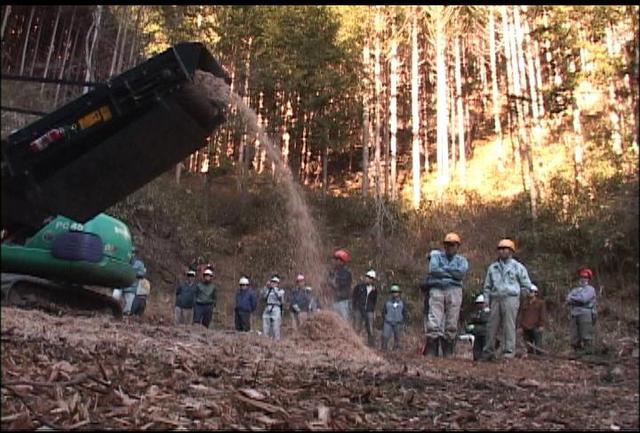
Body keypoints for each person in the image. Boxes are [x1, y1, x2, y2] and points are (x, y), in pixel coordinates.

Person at [481, 238, 533, 361]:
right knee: (491, 326)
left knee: (509, 326)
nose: (502, 251)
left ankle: (508, 353)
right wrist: (486, 300)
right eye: (500, 249)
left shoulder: (518, 267)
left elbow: (526, 285)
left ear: (511, 251)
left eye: (505, 249)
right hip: (496, 298)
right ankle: (488, 352)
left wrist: (519, 298)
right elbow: (487, 286)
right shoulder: (493, 268)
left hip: (511, 298)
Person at [424, 233, 469, 357]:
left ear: (457, 246)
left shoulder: (462, 260)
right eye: (448, 245)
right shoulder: (436, 257)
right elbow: (433, 270)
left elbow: (460, 274)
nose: (450, 247)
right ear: (444, 246)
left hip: (455, 290)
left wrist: (444, 270)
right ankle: (432, 348)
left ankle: (448, 349)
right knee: (434, 318)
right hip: (437, 288)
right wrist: (451, 273)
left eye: (453, 245)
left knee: (452, 320)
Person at [567, 268, 597, 355]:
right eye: (582, 277)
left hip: (586, 313)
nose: (583, 279)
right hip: (574, 313)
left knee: (586, 335)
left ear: (588, 279)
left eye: (585, 277)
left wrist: (574, 298)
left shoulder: (590, 289)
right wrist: (575, 299)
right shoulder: (575, 289)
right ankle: (577, 353)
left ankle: (589, 354)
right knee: (574, 336)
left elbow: (584, 299)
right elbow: (568, 299)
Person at [352, 269, 379, 347]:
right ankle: (354, 344)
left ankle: (371, 345)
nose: (368, 279)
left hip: (369, 310)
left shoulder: (374, 290)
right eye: (367, 277)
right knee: (357, 328)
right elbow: (354, 297)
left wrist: (373, 310)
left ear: (373, 280)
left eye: (370, 278)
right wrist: (354, 307)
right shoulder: (359, 287)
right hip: (359, 308)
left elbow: (374, 301)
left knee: (370, 329)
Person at [518, 284, 546, 355]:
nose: (530, 293)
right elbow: (521, 315)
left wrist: (541, 325)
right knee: (528, 346)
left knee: (538, 345)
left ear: (535, 293)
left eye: (531, 291)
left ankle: (540, 357)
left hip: (535, 327)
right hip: (525, 327)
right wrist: (520, 326)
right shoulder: (525, 303)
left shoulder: (540, 303)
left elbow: (542, 315)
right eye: (529, 291)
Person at [328, 249, 353, 322]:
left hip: (343, 302)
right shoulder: (333, 272)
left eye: (336, 259)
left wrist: (331, 282)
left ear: (342, 261)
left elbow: (338, 285)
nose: (334, 262)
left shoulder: (346, 273)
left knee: (344, 322)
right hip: (334, 301)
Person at [381, 284, 408, 352]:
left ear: (399, 293)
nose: (394, 293)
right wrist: (385, 318)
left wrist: (403, 321)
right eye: (393, 292)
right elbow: (383, 311)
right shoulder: (387, 302)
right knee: (385, 336)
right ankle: (383, 349)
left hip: (398, 322)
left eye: (396, 292)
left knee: (397, 338)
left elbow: (405, 312)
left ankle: (396, 351)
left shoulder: (402, 302)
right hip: (388, 322)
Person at [465, 294, 491, 361]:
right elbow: (469, 321)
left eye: (481, 303)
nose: (479, 305)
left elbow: (484, 322)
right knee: (477, 350)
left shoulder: (488, 313)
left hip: (485, 335)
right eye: (478, 303)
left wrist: (474, 327)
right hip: (477, 335)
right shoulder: (476, 313)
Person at [261, 275, 285, 340]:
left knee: (276, 326)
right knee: (266, 324)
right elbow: (263, 296)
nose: (273, 283)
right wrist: (266, 287)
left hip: (276, 308)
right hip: (268, 307)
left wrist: (274, 288)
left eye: (275, 282)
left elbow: (279, 296)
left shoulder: (281, 290)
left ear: (278, 283)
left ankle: (276, 340)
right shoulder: (268, 290)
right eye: (272, 282)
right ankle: (266, 339)